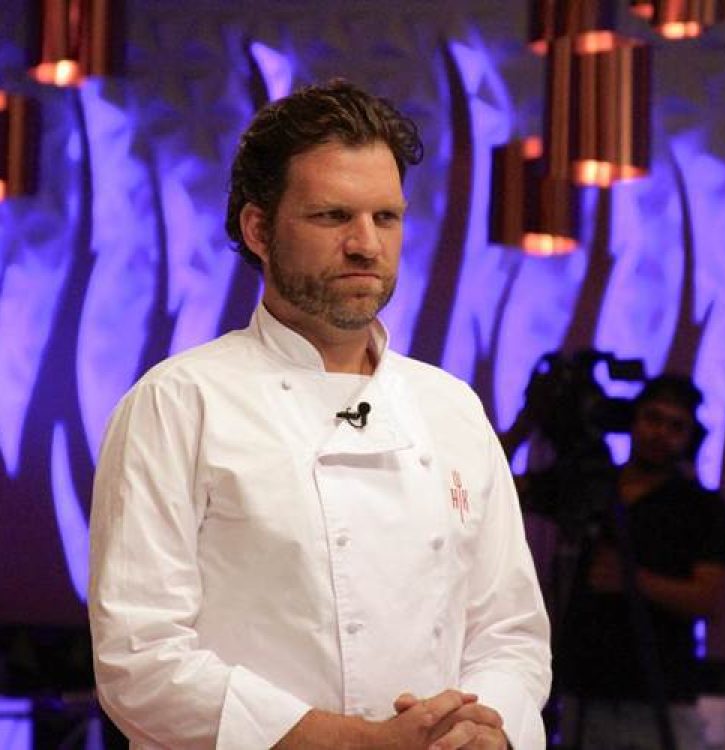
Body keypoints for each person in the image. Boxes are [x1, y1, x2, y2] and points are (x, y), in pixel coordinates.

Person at [88, 80, 551, 750]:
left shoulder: (451, 407)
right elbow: (141, 659)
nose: (366, 245)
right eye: (333, 216)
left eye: (385, 217)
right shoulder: (178, 402)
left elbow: (510, 633)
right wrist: (360, 741)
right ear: (258, 230)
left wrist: (490, 729)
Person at [555, 374, 725, 750]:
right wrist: (533, 419)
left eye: (676, 426)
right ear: (633, 419)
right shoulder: (594, 487)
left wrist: (632, 580)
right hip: (584, 689)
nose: (661, 433)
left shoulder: (700, 506)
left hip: (661, 695)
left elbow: (707, 599)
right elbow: (506, 483)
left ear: (690, 437)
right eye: (653, 418)